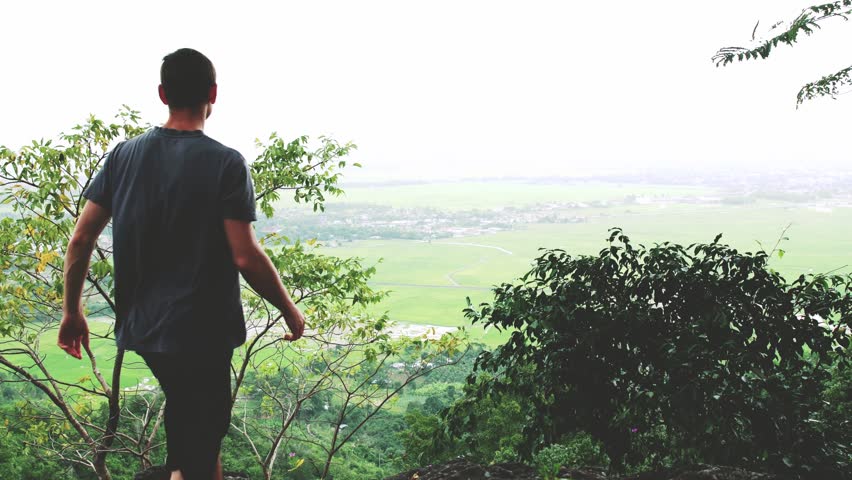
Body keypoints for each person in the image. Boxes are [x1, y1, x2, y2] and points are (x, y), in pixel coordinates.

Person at [57, 48, 306, 480]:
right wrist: (289, 308)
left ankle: (177, 471)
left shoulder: (122, 156)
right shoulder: (225, 162)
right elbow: (245, 254)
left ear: (162, 94)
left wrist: (71, 310)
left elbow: (81, 239)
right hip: (203, 330)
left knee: (190, 414)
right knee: (205, 426)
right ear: (213, 93)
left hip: (145, 327)